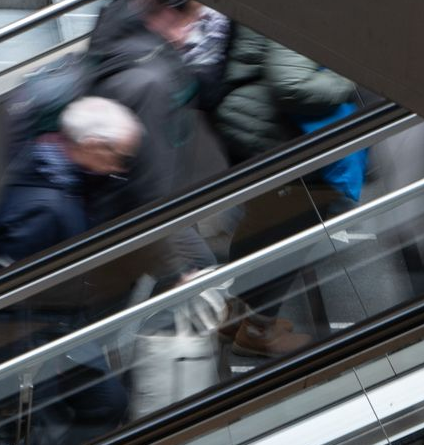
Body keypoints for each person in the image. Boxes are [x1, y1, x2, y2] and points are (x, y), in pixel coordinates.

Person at [0, 97, 140, 445]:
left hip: (58, 329)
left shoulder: (65, 179)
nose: (122, 169)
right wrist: (26, 363)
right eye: (120, 157)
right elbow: (6, 295)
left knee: (106, 402)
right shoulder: (45, 203)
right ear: (92, 145)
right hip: (24, 342)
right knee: (12, 430)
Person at [214, 26, 357, 356]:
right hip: (274, 132)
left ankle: (236, 317)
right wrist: (348, 81)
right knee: (292, 232)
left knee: (262, 224)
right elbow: (291, 84)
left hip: (248, 119)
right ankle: (257, 331)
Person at [85, 0, 216, 283]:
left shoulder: (124, 46)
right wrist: (177, 266)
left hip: (142, 216)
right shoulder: (149, 83)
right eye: (188, 24)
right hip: (152, 220)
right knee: (203, 272)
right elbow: (150, 187)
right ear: (167, 15)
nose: (189, 35)